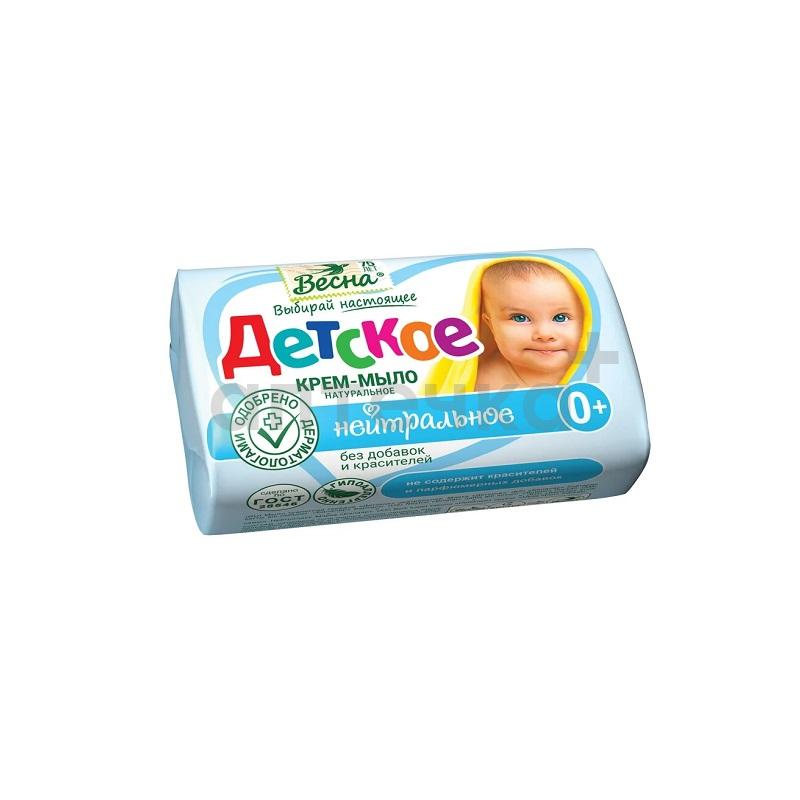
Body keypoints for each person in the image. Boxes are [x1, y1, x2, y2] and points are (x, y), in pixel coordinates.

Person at [424, 257, 591, 394]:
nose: (544, 334)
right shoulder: (487, 382)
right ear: (491, 325)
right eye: (520, 318)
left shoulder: (595, 367)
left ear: (587, 319)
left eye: (561, 317)